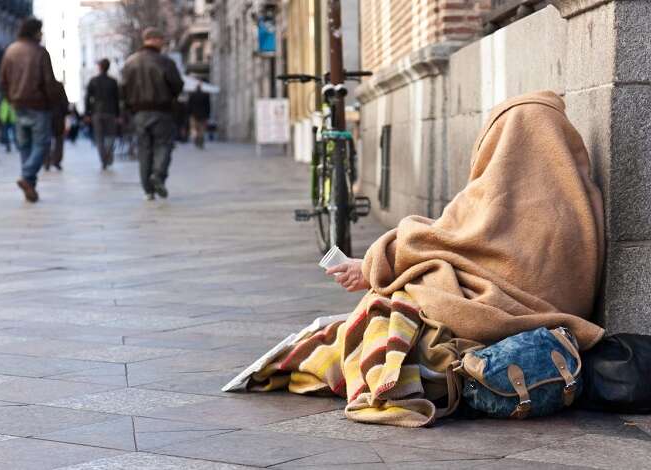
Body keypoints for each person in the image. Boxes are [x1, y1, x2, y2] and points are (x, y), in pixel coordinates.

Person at [243, 91, 606, 428]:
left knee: (389, 306)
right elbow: (469, 248)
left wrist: (373, 265)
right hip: (547, 324)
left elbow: (435, 240)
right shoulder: (582, 204)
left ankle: (368, 364)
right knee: (415, 282)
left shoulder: (491, 193)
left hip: (490, 317)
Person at [0, 17, 60, 203]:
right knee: (42, 143)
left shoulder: (10, 51)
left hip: (18, 104)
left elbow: (3, 81)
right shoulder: (40, 52)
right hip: (38, 105)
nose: (41, 34)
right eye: (40, 31)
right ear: (34, 32)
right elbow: (49, 81)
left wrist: (11, 99)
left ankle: (30, 185)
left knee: (25, 144)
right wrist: (53, 102)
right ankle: (27, 176)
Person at [121, 27, 184, 200]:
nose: (163, 43)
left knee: (144, 149)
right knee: (163, 145)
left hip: (139, 113)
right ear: (155, 39)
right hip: (162, 110)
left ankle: (148, 190)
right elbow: (177, 85)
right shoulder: (165, 62)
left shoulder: (130, 62)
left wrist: (129, 108)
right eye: (162, 40)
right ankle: (158, 174)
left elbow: (123, 88)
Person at [85, 58, 120, 170]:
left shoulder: (93, 81)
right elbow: (117, 99)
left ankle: (104, 159)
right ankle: (108, 156)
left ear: (99, 67)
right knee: (110, 136)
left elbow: (87, 98)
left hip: (97, 112)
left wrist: (87, 113)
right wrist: (118, 114)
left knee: (99, 137)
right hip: (110, 112)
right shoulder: (113, 81)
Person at [44, 80, 68, 171]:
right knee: (59, 139)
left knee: (46, 139)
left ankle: (46, 161)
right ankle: (56, 161)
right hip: (58, 115)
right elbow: (65, 102)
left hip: (46, 115)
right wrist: (64, 113)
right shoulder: (59, 86)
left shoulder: (42, 85)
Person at [187, 83, 210, 148]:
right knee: (202, 128)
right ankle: (201, 140)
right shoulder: (205, 95)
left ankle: (197, 139)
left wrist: (189, 114)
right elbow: (208, 106)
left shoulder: (192, 95)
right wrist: (207, 114)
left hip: (194, 115)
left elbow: (189, 105)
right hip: (203, 115)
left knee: (195, 128)